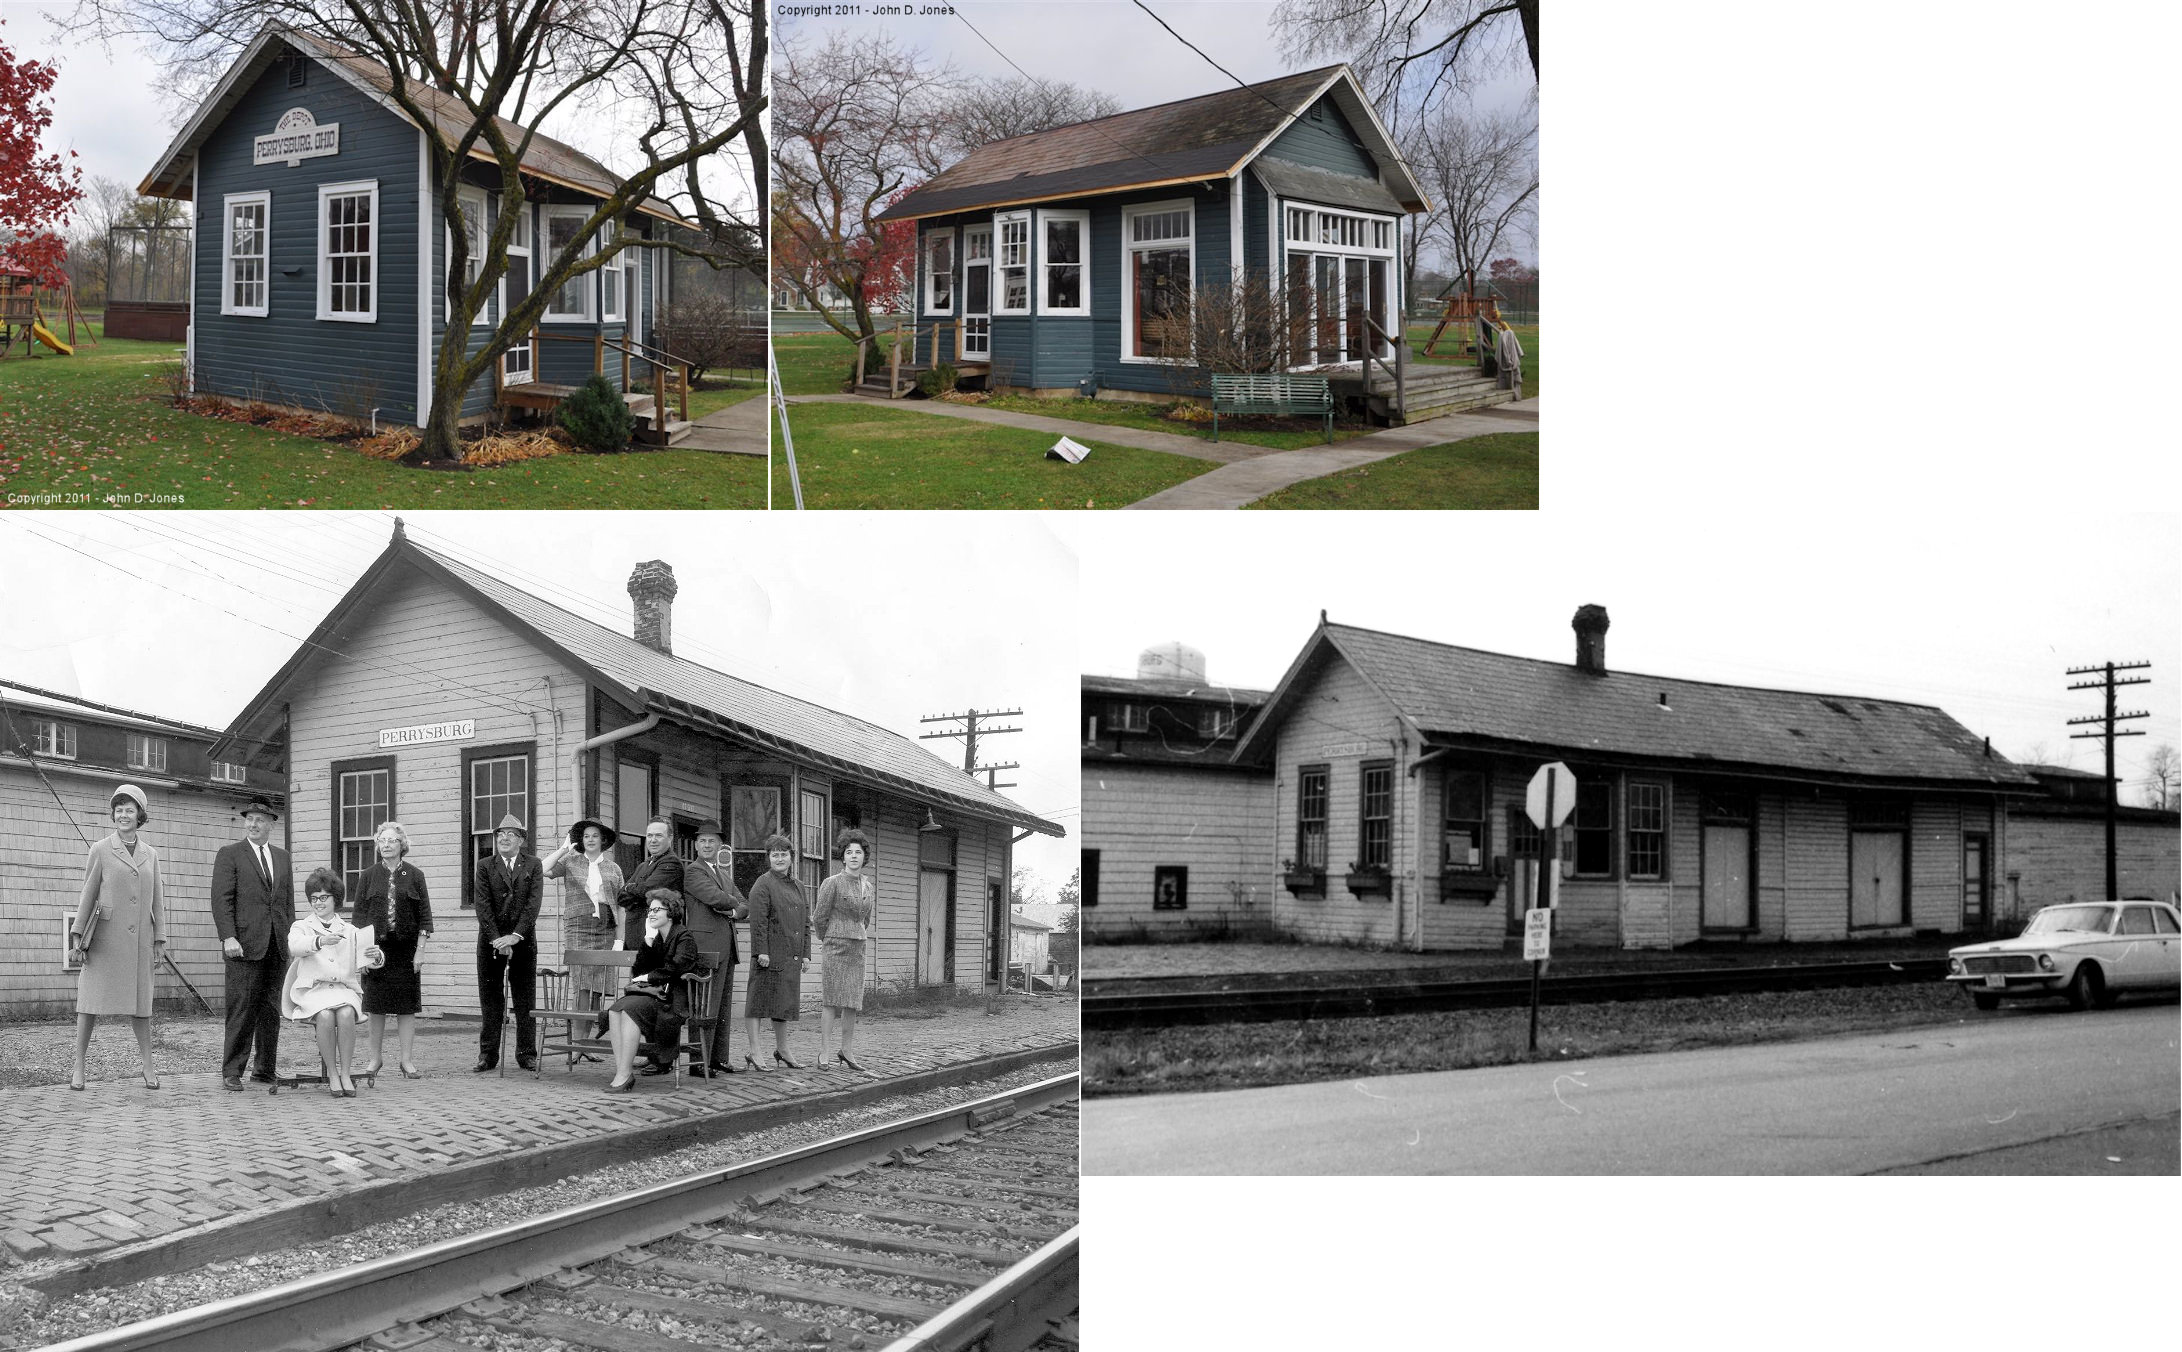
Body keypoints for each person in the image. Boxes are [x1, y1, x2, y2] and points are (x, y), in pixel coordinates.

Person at [66, 784, 166, 1091]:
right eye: (119, 810)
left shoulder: (152, 854)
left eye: (130, 809)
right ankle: (79, 1067)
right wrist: (77, 936)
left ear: (140, 816)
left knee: (141, 1007)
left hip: (140, 943)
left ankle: (148, 1067)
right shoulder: (100, 849)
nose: (124, 815)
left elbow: (157, 900)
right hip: (104, 940)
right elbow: (88, 894)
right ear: (113, 815)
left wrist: (160, 940)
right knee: (89, 1003)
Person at [209, 797, 294, 1092]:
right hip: (243, 945)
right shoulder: (230, 854)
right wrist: (228, 936)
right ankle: (232, 1070)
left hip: (276, 945)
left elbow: (287, 904)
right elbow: (222, 900)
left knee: (271, 1009)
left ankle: (264, 1069)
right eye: (250, 819)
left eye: (260, 819)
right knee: (242, 1008)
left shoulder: (282, 857)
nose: (253, 824)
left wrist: (291, 939)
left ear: (272, 823)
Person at [281, 868, 383, 1097]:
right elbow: (294, 946)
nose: (318, 903)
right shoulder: (301, 926)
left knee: (346, 1013)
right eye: (314, 898)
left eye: (324, 897)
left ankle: (346, 1073)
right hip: (313, 991)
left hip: (343, 989)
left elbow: (367, 961)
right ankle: (333, 1075)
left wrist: (376, 956)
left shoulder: (350, 930)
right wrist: (320, 940)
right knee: (326, 1015)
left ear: (335, 898)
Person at [352, 821, 433, 1079]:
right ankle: (375, 1059)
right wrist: (361, 955)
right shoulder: (368, 876)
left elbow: (425, 917)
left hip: (406, 950)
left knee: (406, 1007)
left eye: (392, 841)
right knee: (375, 1006)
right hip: (375, 951)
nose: (386, 845)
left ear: (402, 845)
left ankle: (406, 1061)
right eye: (382, 841)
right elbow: (358, 919)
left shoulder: (415, 875)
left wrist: (420, 951)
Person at [599, 889, 701, 1091]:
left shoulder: (683, 936)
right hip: (654, 995)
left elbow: (677, 967)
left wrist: (649, 977)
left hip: (673, 999)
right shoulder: (656, 937)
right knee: (614, 1010)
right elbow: (638, 970)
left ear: (670, 911)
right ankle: (623, 1071)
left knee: (630, 1011)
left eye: (657, 910)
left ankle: (624, 1074)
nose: (651, 914)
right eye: (650, 910)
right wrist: (647, 941)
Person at [471, 813, 544, 1072]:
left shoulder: (533, 865)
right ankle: (488, 1055)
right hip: (490, 942)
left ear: (521, 840)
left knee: (525, 1000)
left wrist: (515, 936)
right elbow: (483, 905)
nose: (503, 838)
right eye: (500, 834)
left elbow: (532, 905)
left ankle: (526, 1054)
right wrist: (497, 939)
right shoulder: (484, 865)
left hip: (523, 941)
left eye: (510, 834)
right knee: (491, 999)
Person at [680, 819, 747, 1075]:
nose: (707, 845)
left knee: (722, 1005)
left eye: (712, 841)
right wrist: (733, 906)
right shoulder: (694, 871)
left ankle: (718, 1058)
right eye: (703, 841)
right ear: (696, 844)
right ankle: (699, 1063)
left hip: (727, 947)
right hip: (705, 946)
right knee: (703, 1005)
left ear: (720, 845)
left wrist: (734, 908)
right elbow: (714, 898)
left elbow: (744, 904)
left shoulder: (722, 874)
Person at [743, 832, 810, 1071]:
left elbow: (805, 923)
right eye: (775, 855)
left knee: (782, 1004)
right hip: (768, 956)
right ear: (768, 858)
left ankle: (782, 1050)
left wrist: (805, 954)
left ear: (791, 858)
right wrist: (761, 951)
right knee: (758, 1002)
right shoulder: (763, 884)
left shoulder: (800, 887)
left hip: (790, 955)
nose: (779, 858)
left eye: (784, 854)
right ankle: (755, 1052)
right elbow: (758, 922)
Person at [812, 829, 876, 1072]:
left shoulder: (867, 886)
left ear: (864, 856)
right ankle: (824, 1052)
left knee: (851, 1003)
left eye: (858, 852)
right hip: (835, 947)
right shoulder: (832, 883)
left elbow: (866, 918)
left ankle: (846, 1051)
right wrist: (829, 938)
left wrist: (856, 933)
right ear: (843, 856)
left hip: (857, 947)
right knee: (831, 1002)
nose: (853, 856)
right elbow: (819, 918)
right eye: (849, 852)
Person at [545, 817, 625, 1008]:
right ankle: (579, 1037)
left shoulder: (614, 868)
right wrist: (564, 849)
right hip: (578, 927)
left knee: (598, 986)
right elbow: (542, 869)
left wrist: (619, 940)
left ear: (603, 840)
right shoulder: (570, 861)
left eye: (595, 836)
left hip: (605, 929)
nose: (590, 840)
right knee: (581, 984)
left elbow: (622, 906)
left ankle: (590, 1037)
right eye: (586, 836)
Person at [615, 817, 683, 948]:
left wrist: (630, 889)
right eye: (649, 835)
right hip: (634, 937)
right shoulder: (643, 866)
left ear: (670, 838)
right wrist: (637, 892)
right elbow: (621, 897)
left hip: (656, 939)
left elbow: (646, 890)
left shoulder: (671, 863)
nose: (653, 840)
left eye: (658, 835)